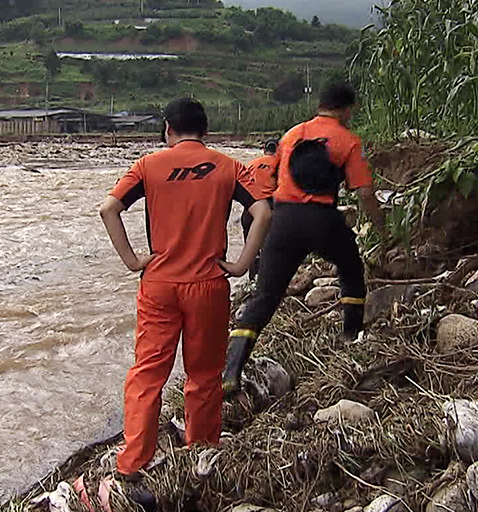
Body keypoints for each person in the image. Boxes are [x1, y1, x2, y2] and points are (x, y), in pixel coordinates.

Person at [99, 97, 272, 480]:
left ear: (167, 129)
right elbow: (263, 211)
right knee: (205, 375)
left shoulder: (148, 165)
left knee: (147, 374)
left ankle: (132, 464)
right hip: (209, 284)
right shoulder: (228, 166)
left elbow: (109, 208)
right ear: (205, 132)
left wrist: (132, 260)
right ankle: (201, 451)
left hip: (159, 284)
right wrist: (242, 264)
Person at [222, 81, 386, 395]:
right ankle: (351, 336)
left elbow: (277, 176)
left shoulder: (291, 135)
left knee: (265, 296)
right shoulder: (349, 140)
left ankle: (231, 370)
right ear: (347, 109)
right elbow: (364, 192)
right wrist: (380, 228)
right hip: (323, 219)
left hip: (283, 221)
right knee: (351, 268)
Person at [240, 139, 279, 279]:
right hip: (271, 207)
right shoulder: (280, 164)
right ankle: (268, 280)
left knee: (251, 248)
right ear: (278, 150)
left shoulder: (251, 164)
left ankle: (252, 280)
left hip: (250, 208)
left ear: (263, 149)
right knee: (272, 248)